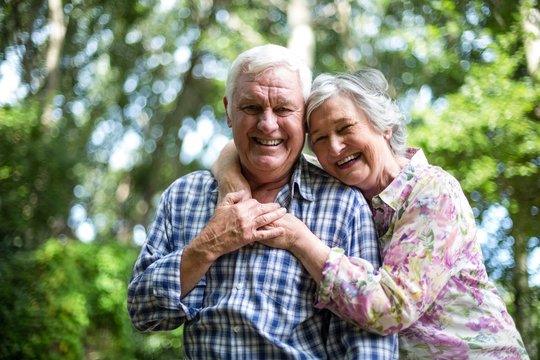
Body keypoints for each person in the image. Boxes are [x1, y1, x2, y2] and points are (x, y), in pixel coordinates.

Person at [213, 69, 529, 359]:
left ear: (384, 127)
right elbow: (250, 149)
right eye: (320, 138)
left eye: (346, 127)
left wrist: (300, 240)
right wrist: (231, 180)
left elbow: (390, 308)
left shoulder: (432, 192)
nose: (335, 148)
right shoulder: (341, 190)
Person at [127, 45, 397, 359]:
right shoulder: (184, 196)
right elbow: (142, 313)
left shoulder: (343, 205)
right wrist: (208, 246)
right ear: (229, 111)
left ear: (304, 118)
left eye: (283, 109)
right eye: (252, 107)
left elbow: (368, 346)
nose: (267, 124)